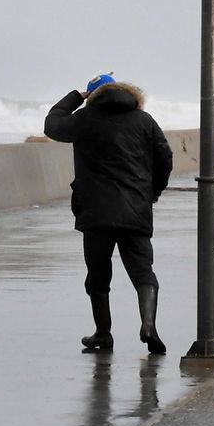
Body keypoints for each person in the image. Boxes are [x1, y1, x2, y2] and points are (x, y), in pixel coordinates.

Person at [44, 74, 173, 354]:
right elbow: (165, 158)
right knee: (143, 273)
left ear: (93, 96)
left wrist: (75, 97)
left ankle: (103, 333)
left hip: (96, 212)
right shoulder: (145, 121)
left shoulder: (84, 120)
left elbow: (51, 126)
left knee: (98, 276)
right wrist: (152, 192)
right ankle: (148, 324)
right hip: (135, 210)